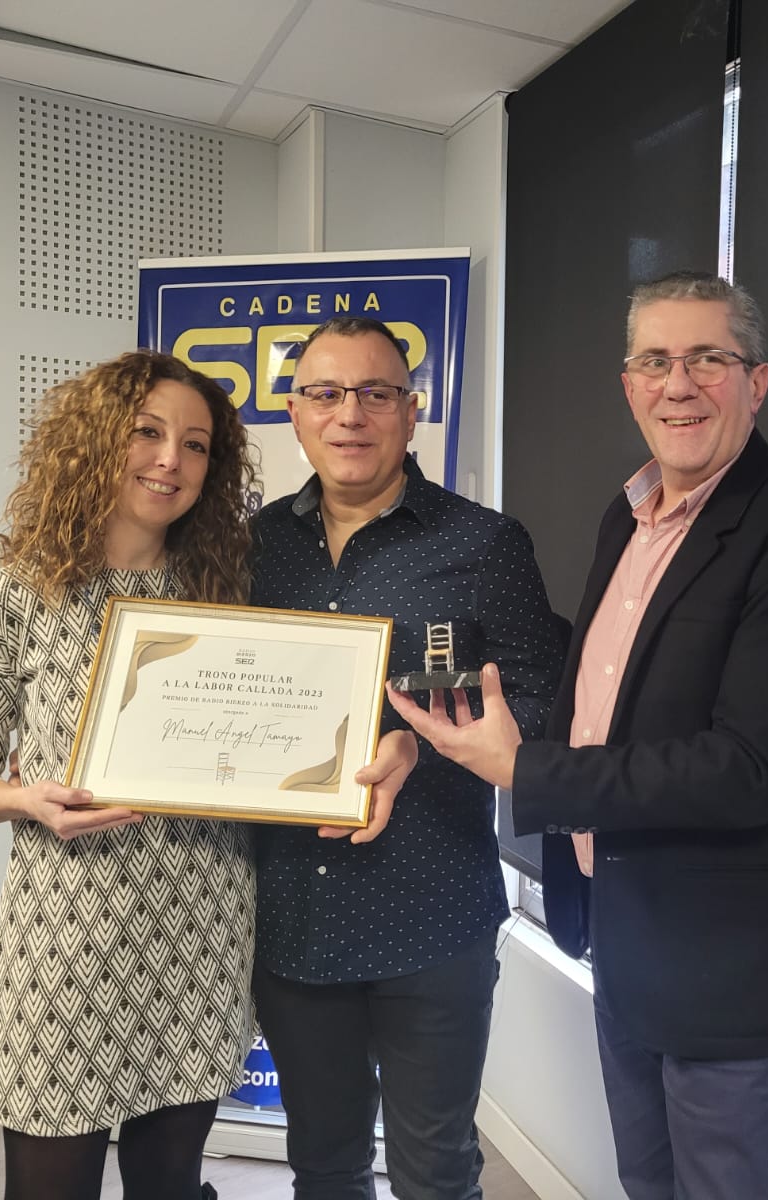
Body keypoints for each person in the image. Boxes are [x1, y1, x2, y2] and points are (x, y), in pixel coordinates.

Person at [390, 272, 768, 1200]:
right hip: (626, 941)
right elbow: (602, 697)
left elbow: (747, 770)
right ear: (628, 383)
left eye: (707, 359)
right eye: (655, 360)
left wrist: (525, 771)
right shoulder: (631, 515)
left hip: (733, 978)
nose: (678, 384)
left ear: (757, 381)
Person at [0, 351, 415, 1200]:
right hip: (68, 935)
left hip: (201, 928)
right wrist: (26, 800)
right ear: (94, 444)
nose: (169, 462)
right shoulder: (19, 591)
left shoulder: (227, 587)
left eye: (194, 446)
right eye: (147, 435)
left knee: (170, 1185)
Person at [247, 317, 563, 1199]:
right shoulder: (252, 548)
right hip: (293, 914)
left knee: (436, 1169)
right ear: (294, 412)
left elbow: (540, 700)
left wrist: (420, 746)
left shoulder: (484, 545)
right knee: (324, 1163)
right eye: (325, 393)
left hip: (432, 914)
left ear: (412, 410)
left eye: (375, 392)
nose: (350, 414)